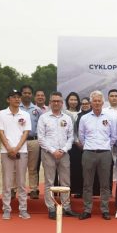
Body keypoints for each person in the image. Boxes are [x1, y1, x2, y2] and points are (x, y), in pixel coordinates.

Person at [37, 92, 77, 220]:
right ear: (50, 102)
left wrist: (63, 150)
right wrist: (53, 151)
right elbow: (41, 138)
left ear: (62, 103)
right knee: (49, 181)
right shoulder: (44, 118)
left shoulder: (67, 118)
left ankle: (66, 207)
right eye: (53, 101)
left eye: (58, 101)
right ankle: (51, 208)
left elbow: (71, 137)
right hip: (49, 153)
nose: (56, 103)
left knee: (65, 181)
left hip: (64, 153)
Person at [77, 91, 116, 220]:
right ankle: (87, 209)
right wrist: (89, 146)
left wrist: (105, 146)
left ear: (103, 102)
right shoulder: (84, 118)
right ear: (91, 103)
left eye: (99, 101)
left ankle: (104, 210)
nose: (97, 103)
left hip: (105, 153)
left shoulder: (110, 117)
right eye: (95, 101)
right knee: (87, 184)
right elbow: (81, 136)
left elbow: (113, 136)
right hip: (88, 153)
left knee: (105, 184)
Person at [0, 89, 31, 220]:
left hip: (21, 151)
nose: (17, 99)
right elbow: (1, 132)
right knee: (7, 182)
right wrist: (10, 148)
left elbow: (26, 133)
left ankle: (23, 209)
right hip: (6, 151)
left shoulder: (25, 114)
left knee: (21, 182)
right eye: (14, 97)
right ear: (8, 99)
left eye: (18, 97)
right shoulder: (1, 114)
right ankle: (6, 209)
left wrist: (17, 148)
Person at [26, 89, 47, 199]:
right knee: (30, 166)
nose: (40, 97)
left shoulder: (47, 109)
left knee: (37, 167)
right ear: (35, 98)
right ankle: (32, 188)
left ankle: (37, 189)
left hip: (41, 141)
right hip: (26, 141)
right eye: (38, 95)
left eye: (42, 95)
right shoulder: (30, 109)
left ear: (45, 97)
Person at [70, 97, 91, 197]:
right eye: (83, 104)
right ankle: (78, 191)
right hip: (78, 147)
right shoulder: (77, 116)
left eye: (87, 103)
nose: (85, 105)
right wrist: (78, 142)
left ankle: (90, 192)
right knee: (78, 169)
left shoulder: (94, 115)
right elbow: (74, 131)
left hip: (91, 147)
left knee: (90, 170)